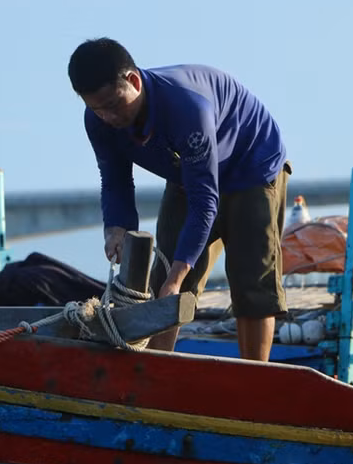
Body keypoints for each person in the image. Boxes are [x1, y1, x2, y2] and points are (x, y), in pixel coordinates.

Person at [67, 37, 291, 361]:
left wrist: (178, 276)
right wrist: (115, 228)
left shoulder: (187, 108)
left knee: (251, 283)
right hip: (188, 172)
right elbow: (115, 180)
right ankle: (155, 373)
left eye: (114, 105)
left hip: (250, 167)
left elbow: (204, 202)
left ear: (133, 81)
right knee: (162, 284)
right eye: (96, 109)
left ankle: (254, 375)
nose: (108, 117)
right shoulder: (99, 121)